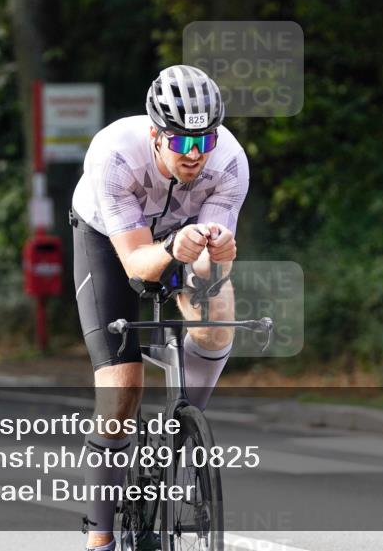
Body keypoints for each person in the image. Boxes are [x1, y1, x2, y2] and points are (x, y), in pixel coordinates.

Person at [70, 64, 249, 551]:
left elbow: (210, 273)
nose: (194, 156)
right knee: (121, 388)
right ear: (155, 135)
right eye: (182, 143)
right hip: (111, 242)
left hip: (184, 238)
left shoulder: (229, 163)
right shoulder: (114, 156)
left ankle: (184, 431)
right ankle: (100, 539)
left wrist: (218, 261)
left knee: (217, 323)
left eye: (204, 142)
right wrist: (172, 250)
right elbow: (136, 264)